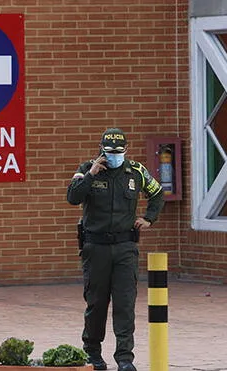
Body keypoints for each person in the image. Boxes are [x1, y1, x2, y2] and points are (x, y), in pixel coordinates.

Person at [66, 128, 164, 371]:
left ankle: (124, 358)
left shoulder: (136, 172)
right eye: (109, 152)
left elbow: (158, 193)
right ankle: (93, 354)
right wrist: (91, 174)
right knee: (96, 303)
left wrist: (149, 218)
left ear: (126, 151)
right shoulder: (86, 168)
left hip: (125, 247)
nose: (114, 156)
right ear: (101, 150)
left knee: (125, 303)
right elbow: (73, 197)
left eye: (118, 152)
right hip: (95, 247)